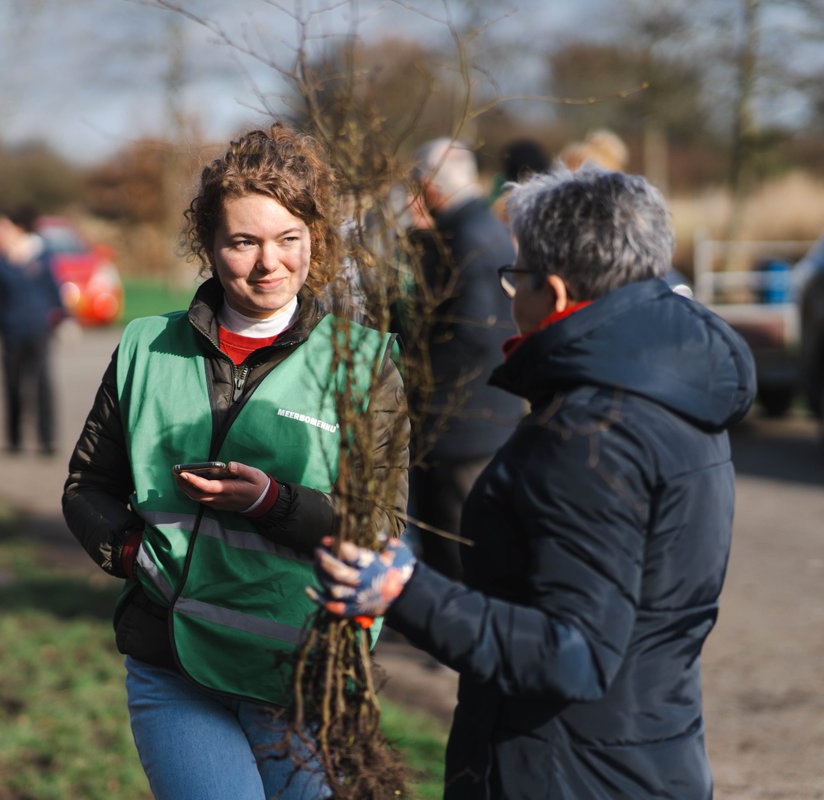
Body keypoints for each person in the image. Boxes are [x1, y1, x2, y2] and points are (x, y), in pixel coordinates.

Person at [313, 166, 756, 799]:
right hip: (652, 759)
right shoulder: (674, 387)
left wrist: (404, 590)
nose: (507, 297)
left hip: (565, 774)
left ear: (552, 292)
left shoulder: (589, 435)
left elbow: (571, 653)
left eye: (514, 278)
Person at [61, 125, 409, 800]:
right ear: (209, 245)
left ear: (316, 240)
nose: (268, 263)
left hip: (300, 676)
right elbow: (87, 488)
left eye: (288, 240)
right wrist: (132, 554)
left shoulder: (364, 366)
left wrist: (270, 503)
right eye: (243, 241)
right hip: (173, 662)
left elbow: (381, 528)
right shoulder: (145, 347)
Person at [404, 138, 524, 581]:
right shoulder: (481, 227)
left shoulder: (465, 237)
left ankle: (459, 639)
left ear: (432, 186)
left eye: (419, 183)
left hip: (462, 420)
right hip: (481, 412)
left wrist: (413, 380)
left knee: (455, 543)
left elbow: (472, 332)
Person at [0, 204, 65, 456]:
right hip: (9, 330)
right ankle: (14, 440)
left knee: (42, 384)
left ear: (17, 227)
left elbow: (53, 288)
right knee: (12, 385)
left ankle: (48, 441)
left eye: (2, 226)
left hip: (38, 328)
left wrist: (65, 317)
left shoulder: (41, 255)